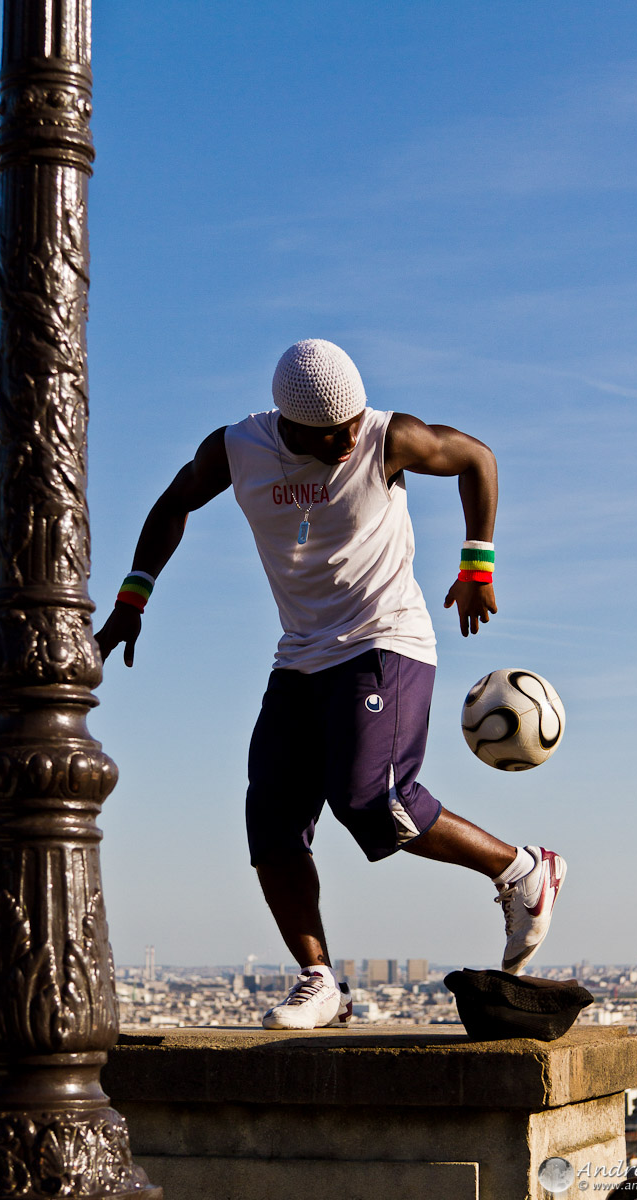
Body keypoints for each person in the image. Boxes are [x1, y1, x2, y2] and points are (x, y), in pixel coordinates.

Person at [96, 339, 566, 1030]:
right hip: (300, 655)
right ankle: (320, 982)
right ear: (290, 425)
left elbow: (476, 459)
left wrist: (478, 564)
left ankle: (523, 870)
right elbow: (174, 502)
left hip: (386, 637)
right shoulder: (237, 449)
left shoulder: (385, 437)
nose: (349, 440)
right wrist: (132, 600)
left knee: (374, 800)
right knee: (271, 820)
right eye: (332, 434)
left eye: (353, 424)